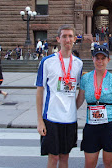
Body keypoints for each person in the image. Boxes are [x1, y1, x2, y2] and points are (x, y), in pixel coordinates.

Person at [35, 25, 83, 168]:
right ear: (58, 39)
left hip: (70, 119)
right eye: (64, 36)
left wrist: (73, 108)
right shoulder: (47, 62)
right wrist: (39, 121)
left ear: (75, 39)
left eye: (70, 36)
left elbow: (80, 91)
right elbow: (39, 91)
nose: (67, 39)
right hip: (51, 117)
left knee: (64, 157)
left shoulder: (78, 64)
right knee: (53, 157)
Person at [76, 45, 112, 167]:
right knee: (90, 163)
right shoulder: (85, 79)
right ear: (92, 59)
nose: (100, 61)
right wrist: (65, 113)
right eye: (97, 58)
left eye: (103, 58)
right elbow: (79, 100)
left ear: (108, 60)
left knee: (109, 163)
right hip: (92, 125)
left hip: (110, 125)